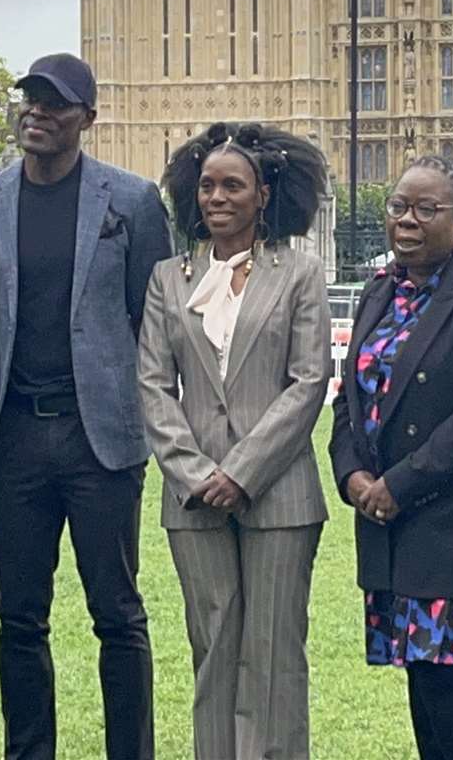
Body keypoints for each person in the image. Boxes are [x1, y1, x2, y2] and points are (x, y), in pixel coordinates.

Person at [0, 52, 174, 760]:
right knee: (19, 617)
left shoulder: (134, 202)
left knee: (117, 614)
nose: (38, 112)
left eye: (55, 103)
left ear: (89, 117)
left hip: (100, 439)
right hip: (13, 437)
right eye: (30, 99)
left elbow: (155, 321)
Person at [327, 156, 453, 760]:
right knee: (419, 671)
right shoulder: (380, 289)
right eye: (398, 207)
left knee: (446, 676)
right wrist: (352, 475)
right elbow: (350, 394)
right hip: (388, 518)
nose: (407, 221)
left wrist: (400, 484)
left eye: (425, 209)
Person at [137, 122, 331, 760]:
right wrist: (195, 475)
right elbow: (155, 386)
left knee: (274, 651)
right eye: (207, 186)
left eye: (233, 186)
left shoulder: (300, 274)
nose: (216, 197)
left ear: (264, 194)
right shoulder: (169, 278)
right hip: (193, 501)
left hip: (278, 496)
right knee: (214, 645)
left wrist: (242, 471)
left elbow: (308, 383)